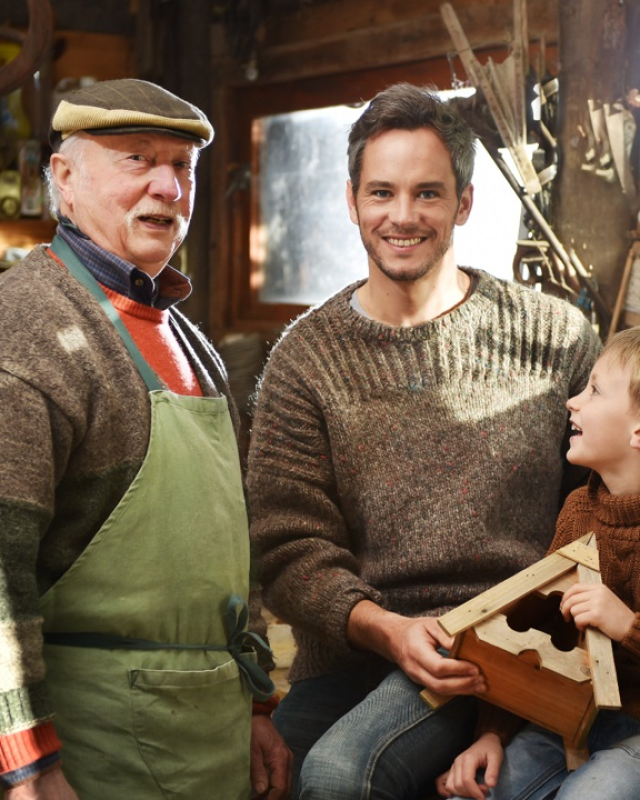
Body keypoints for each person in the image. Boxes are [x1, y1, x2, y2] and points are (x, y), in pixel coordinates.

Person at [246, 82, 602, 800]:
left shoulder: (555, 337)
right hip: (354, 649)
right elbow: (287, 547)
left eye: (427, 194)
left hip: (497, 653)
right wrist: (384, 629)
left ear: (464, 203)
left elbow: (594, 524)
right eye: (381, 193)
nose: (401, 217)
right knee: (243, 775)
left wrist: (509, 703)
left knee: (340, 776)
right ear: (351, 201)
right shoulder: (303, 359)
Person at [0, 78, 291, 799]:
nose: (169, 185)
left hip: (209, 740)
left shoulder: (192, 342)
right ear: (64, 179)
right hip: (93, 753)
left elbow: (229, 549)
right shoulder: (31, 327)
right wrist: (27, 766)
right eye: (137, 159)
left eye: (183, 166)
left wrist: (255, 699)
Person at [438, 326, 640, 800]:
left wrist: (626, 624)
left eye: (593, 390)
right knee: (481, 791)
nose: (573, 401)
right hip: (569, 722)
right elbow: (537, 636)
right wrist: (494, 734)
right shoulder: (579, 511)